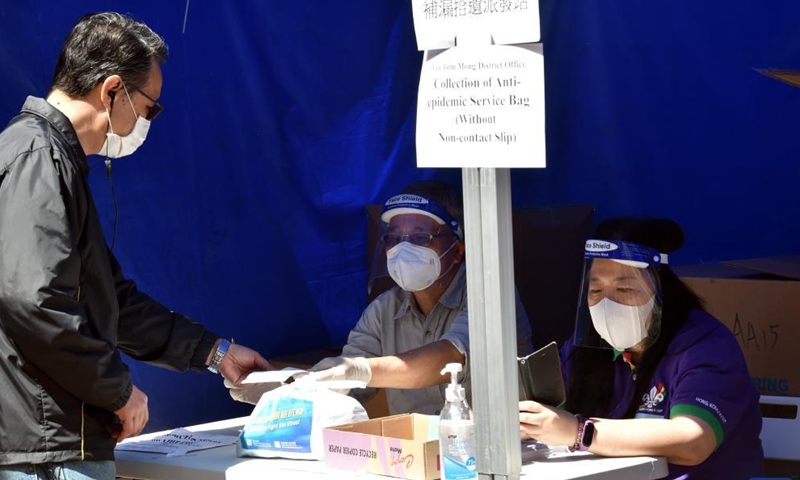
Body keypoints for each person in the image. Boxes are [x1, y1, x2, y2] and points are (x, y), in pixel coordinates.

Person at [0, 12, 272, 480]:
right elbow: (34, 300)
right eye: (151, 108)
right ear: (111, 91)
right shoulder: (36, 156)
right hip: (48, 447)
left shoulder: (52, 157)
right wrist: (117, 391)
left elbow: (112, 300)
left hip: (59, 440)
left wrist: (215, 352)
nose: (149, 121)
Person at [228, 181, 534, 414]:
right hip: (416, 457)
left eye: (419, 237)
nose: (402, 249)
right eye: (393, 238)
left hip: (502, 455)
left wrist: (362, 370)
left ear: (457, 249)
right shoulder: (383, 310)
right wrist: (283, 388)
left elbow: (445, 359)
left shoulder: (490, 297)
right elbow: (347, 386)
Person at [518, 218, 763, 479]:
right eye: (596, 289)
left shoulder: (705, 345)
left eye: (625, 288)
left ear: (660, 290)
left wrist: (579, 432)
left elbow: (693, 441)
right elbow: (546, 408)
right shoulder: (584, 350)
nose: (607, 304)